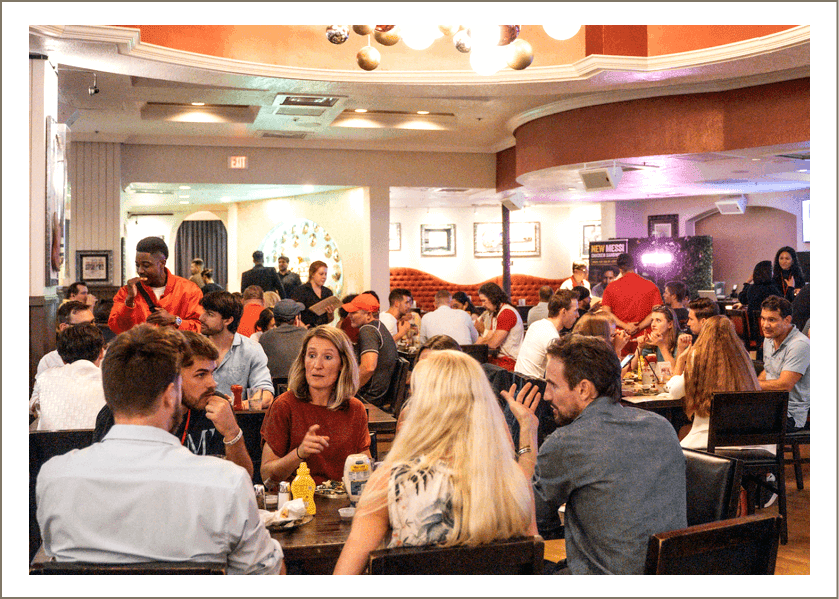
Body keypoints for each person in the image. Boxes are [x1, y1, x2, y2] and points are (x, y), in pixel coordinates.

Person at [36, 324, 283, 574]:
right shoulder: (226, 483)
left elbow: (53, 559)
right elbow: (269, 574)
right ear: (170, 395)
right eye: (200, 374)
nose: (212, 383)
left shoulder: (53, 478)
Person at [333, 350, 539, 575]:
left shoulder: (390, 483)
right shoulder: (514, 481)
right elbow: (530, 559)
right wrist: (528, 431)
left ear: (423, 408)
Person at [513, 334, 686, 574]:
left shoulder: (568, 441)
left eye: (553, 385)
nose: (546, 395)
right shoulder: (662, 427)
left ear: (584, 389)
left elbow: (525, 513)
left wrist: (527, 431)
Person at [92, 330, 254, 477]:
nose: (212, 383)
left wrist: (232, 433)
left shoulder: (218, 408)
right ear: (172, 377)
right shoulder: (128, 412)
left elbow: (244, 479)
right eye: (201, 375)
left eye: (212, 372)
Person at [260, 326, 371, 486]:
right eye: (311, 355)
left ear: (342, 364)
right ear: (303, 360)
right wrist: (299, 453)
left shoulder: (355, 409)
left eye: (327, 357)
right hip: (296, 499)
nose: (317, 365)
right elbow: (266, 476)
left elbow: (365, 467)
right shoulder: (284, 405)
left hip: (342, 498)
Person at [679, 316, 761, 450]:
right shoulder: (743, 355)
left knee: (677, 448)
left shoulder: (697, 355)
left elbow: (675, 391)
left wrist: (680, 360)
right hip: (747, 441)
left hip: (708, 442)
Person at [109, 236, 203, 334]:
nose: (140, 271)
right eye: (137, 265)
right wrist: (129, 301)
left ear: (162, 263)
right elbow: (116, 328)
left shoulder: (190, 290)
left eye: (146, 265)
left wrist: (175, 320)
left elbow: (199, 328)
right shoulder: (126, 292)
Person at [199, 291, 274, 407]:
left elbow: (266, 395)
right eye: (204, 312)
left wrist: (240, 405)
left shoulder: (251, 349)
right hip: (196, 415)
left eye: (210, 314)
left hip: (235, 415)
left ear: (228, 320)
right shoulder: (193, 347)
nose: (201, 318)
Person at [30, 323, 105, 430]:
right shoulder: (111, 381)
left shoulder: (45, 378)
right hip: (101, 440)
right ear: (101, 353)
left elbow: (34, 406)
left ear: (62, 359)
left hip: (51, 440)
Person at [757, 296, 810, 432]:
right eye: (763, 318)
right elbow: (768, 371)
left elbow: (784, 385)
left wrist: (749, 384)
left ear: (787, 320)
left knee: (738, 422)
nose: (765, 325)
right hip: (769, 404)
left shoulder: (799, 345)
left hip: (790, 415)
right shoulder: (769, 338)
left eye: (772, 320)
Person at [600, 252, 663, 352]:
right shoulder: (651, 286)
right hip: (645, 338)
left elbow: (606, 313)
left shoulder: (610, 288)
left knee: (620, 361)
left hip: (620, 338)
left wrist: (625, 326)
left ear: (620, 268)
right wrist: (638, 327)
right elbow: (657, 312)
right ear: (635, 266)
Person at [343, 293, 397, 407]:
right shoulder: (378, 326)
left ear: (368, 314)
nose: (349, 315)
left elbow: (368, 367)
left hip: (369, 398)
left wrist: (347, 391)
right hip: (380, 395)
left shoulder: (368, 330)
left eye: (354, 312)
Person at [515, 290, 578, 378]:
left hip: (518, 380)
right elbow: (557, 373)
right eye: (575, 311)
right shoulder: (551, 336)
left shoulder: (536, 324)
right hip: (532, 384)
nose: (577, 315)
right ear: (563, 311)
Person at [36, 301, 95, 375]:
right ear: (64, 328)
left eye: (92, 322)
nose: (92, 328)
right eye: (84, 325)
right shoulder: (49, 361)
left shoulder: (101, 356)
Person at [475, 282, 524, 372]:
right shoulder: (495, 312)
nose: (482, 305)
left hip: (510, 361)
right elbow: (488, 336)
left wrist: (480, 343)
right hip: (500, 359)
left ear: (493, 298)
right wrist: (477, 343)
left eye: (484, 301)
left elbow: (494, 343)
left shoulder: (507, 313)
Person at [259, 299, 308, 381]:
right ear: (296, 319)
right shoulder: (307, 336)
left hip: (274, 386)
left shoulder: (264, 337)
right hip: (301, 384)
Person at [633, 304, 682, 371]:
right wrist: (640, 347)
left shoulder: (681, 339)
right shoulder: (653, 339)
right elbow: (634, 367)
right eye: (652, 320)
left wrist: (661, 346)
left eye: (658, 320)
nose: (653, 324)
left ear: (670, 324)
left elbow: (675, 371)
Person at [291, 260, 335, 328]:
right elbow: (294, 314)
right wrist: (304, 327)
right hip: (305, 329)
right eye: (321, 274)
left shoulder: (328, 292)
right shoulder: (301, 291)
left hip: (322, 329)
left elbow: (329, 320)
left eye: (325, 274)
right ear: (312, 274)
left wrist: (330, 314)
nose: (324, 277)